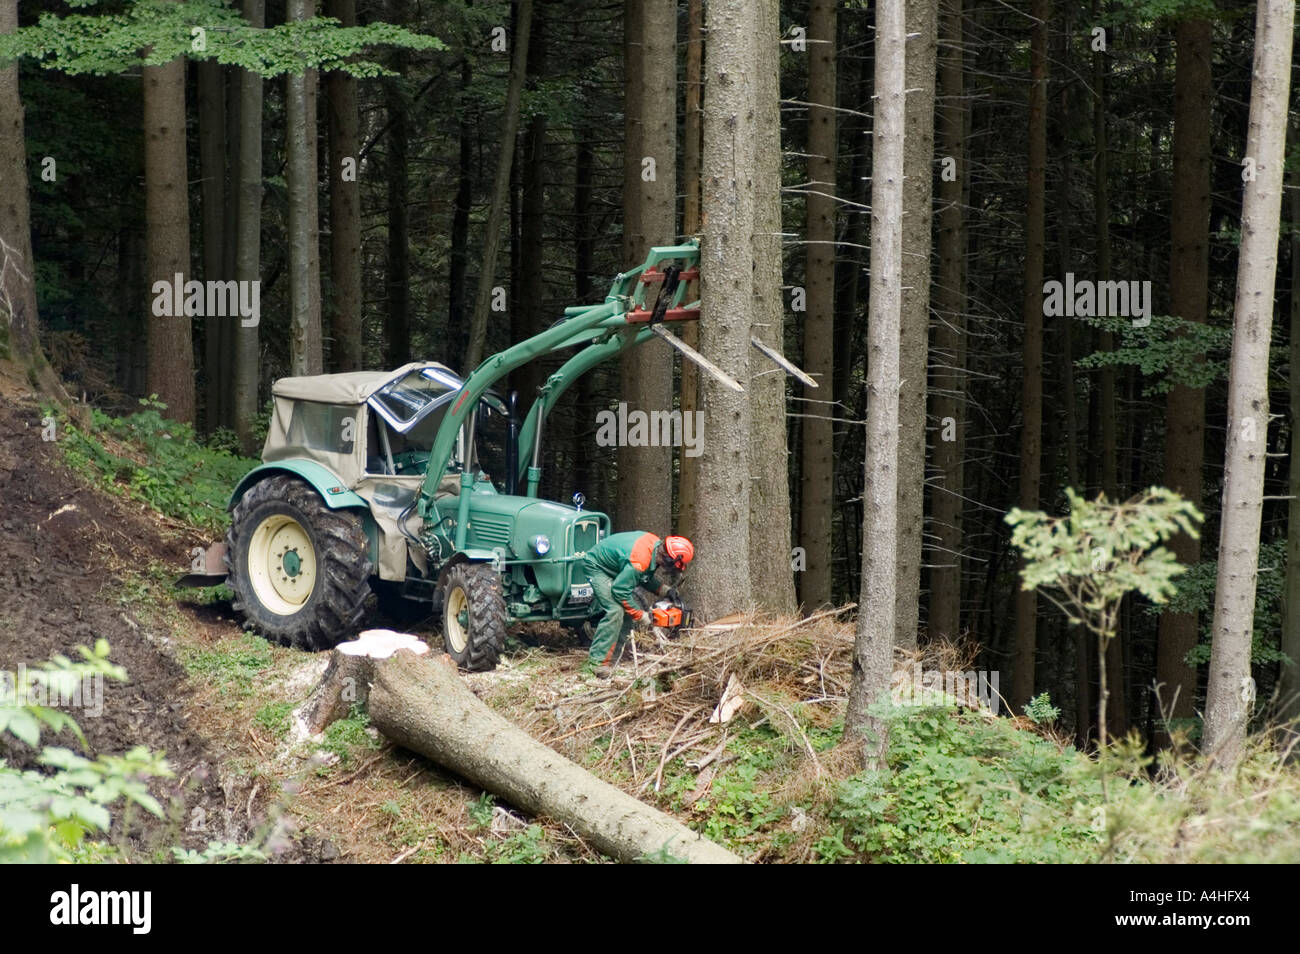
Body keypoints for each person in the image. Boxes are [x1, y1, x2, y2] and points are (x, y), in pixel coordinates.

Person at [581, 532, 694, 677]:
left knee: (627, 613)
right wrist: (641, 615)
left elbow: (644, 577)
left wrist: (664, 590)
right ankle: (597, 663)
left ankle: (613, 658)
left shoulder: (654, 549)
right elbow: (620, 590)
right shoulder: (640, 560)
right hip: (597, 567)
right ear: (668, 558)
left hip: (616, 569)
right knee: (615, 610)